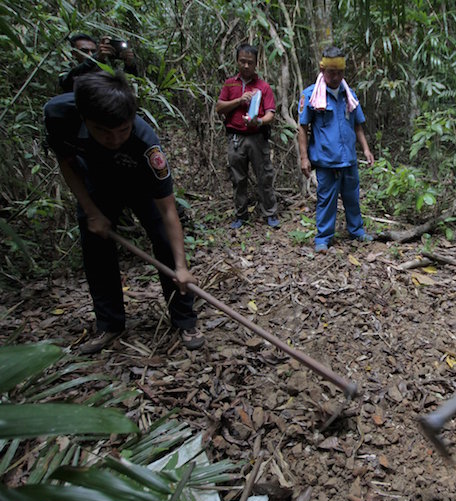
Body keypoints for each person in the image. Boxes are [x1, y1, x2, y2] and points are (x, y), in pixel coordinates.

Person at [44, 71, 204, 354]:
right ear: (84, 118)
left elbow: (167, 208)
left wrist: (180, 266)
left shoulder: (146, 144)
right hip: (95, 182)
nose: (115, 138)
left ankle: (184, 320)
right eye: (104, 131)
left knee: (165, 242)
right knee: (96, 248)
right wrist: (92, 212)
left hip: (139, 184)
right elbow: (67, 163)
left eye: (122, 130)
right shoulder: (59, 117)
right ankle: (109, 324)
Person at [297, 45, 375, 253]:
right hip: (325, 160)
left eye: (340, 72)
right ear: (323, 70)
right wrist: (304, 158)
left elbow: (357, 125)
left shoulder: (349, 94)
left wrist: (366, 150)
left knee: (352, 197)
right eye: (332, 72)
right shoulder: (311, 95)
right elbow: (302, 128)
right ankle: (323, 237)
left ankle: (356, 231)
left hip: (348, 158)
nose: (336, 76)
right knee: (326, 200)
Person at [216, 44, 279, 230]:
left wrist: (259, 122)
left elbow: (270, 114)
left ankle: (270, 213)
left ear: (256, 64)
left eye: (250, 62)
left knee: (265, 176)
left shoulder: (263, 87)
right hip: (236, 138)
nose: (245, 66)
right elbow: (219, 107)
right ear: (237, 61)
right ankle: (241, 215)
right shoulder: (229, 84)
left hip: (257, 137)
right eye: (242, 61)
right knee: (238, 178)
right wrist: (239, 100)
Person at [59, 33, 139, 93]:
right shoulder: (67, 68)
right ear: (74, 53)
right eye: (84, 51)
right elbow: (67, 82)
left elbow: (123, 88)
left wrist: (129, 65)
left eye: (93, 51)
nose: (90, 54)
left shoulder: (105, 67)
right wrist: (95, 58)